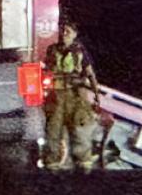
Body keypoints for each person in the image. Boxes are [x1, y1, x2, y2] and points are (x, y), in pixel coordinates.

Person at [42, 20, 99, 171]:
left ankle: (83, 164)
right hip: (56, 96)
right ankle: (52, 163)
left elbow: (90, 73)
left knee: (79, 131)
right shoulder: (52, 50)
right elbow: (46, 70)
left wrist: (96, 95)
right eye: (62, 30)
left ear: (75, 34)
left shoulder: (80, 52)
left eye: (68, 31)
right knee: (53, 130)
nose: (64, 34)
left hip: (76, 95)